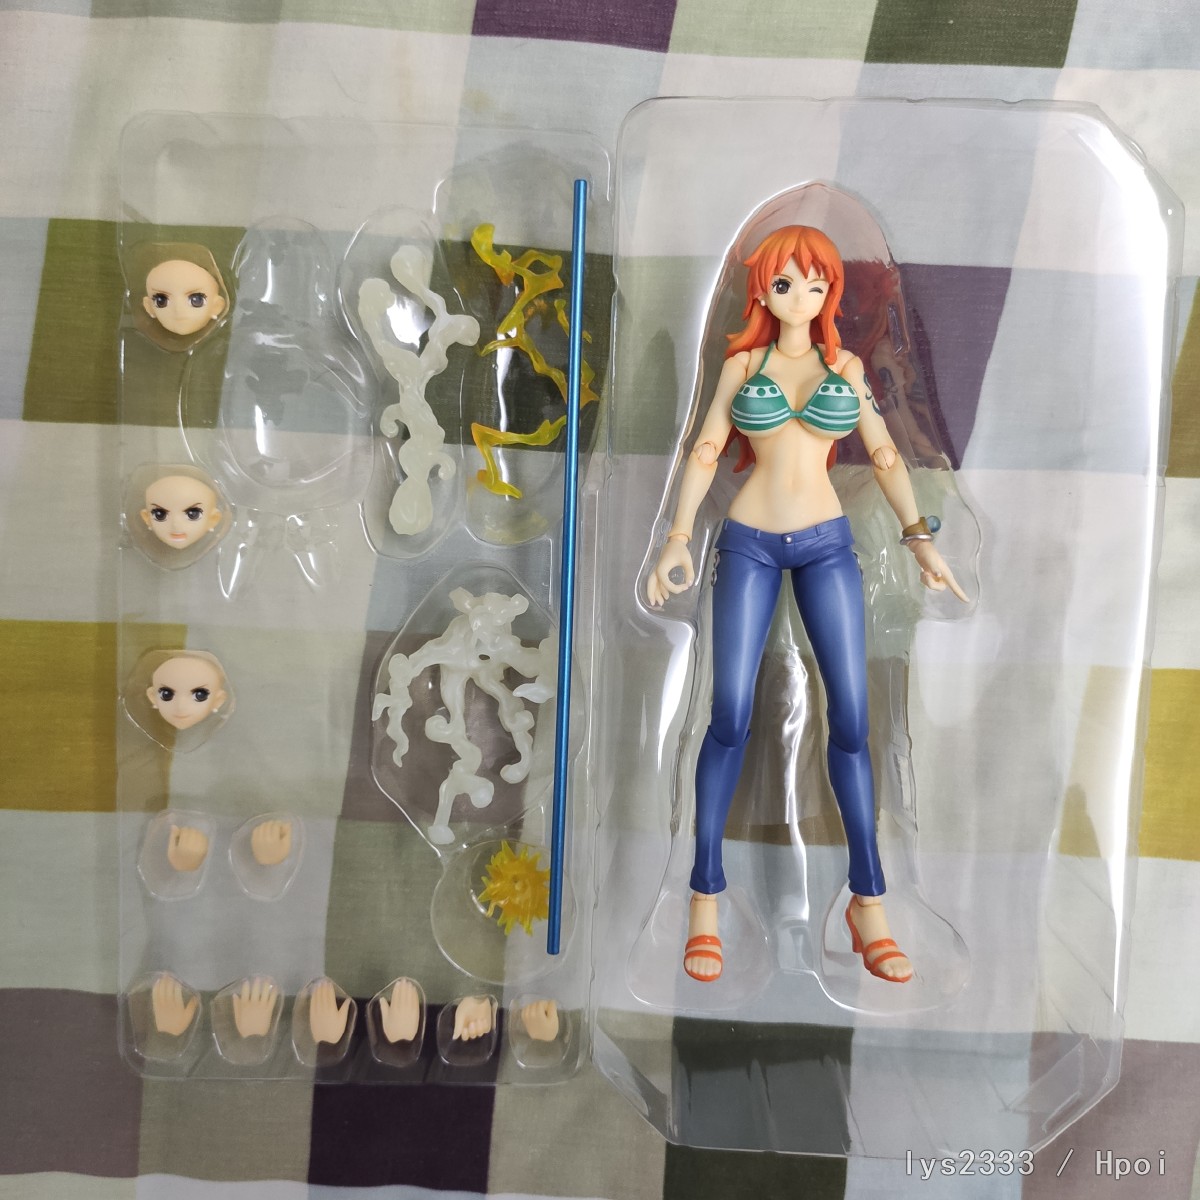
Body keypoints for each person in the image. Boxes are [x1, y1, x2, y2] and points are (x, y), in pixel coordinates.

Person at [645, 225, 966, 984]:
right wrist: (678, 537)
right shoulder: (743, 365)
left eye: (816, 284)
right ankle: (703, 896)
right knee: (728, 716)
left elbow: (884, 452)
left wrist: (919, 538)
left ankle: (869, 901)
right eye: (786, 283)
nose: (802, 296)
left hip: (826, 542)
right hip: (748, 542)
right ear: (763, 288)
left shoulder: (844, 367)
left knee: (852, 720)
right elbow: (704, 450)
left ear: (831, 293)